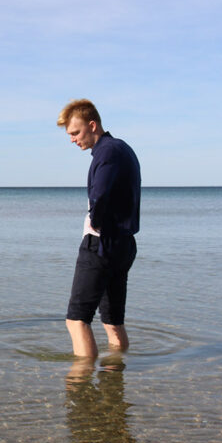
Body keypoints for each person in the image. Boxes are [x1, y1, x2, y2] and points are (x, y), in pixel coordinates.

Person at [57, 99, 141, 358]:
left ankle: (82, 389)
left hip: (101, 245)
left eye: (75, 133)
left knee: (77, 320)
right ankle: (115, 383)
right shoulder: (122, 149)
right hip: (123, 245)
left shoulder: (107, 152)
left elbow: (100, 195)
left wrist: (95, 221)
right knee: (113, 322)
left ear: (92, 125)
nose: (72, 140)